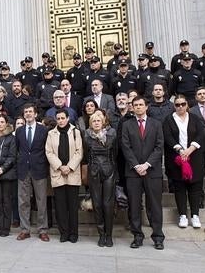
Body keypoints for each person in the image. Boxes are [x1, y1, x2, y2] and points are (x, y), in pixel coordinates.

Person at [121, 96, 165, 250]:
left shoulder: (156, 124)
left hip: (152, 171)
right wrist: (136, 165)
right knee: (134, 205)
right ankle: (137, 236)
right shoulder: (127, 125)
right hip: (133, 172)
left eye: (141, 105)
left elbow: (159, 147)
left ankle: (158, 236)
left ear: (147, 107)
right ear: (132, 107)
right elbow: (125, 147)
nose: (138, 107)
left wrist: (146, 164)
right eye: (135, 105)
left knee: (154, 205)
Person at [163, 95, 205, 229]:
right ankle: (182, 215)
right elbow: (168, 136)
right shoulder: (169, 120)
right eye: (177, 105)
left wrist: (191, 148)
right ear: (174, 106)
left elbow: (201, 133)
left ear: (187, 104)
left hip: (194, 157)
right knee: (180, 188)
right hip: (177, 158)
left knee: (195, 187)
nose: (180, 107)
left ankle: (195, 215)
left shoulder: (195, 118)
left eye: (183, 104)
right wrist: (180, 150)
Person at [45, 109, 83, 243]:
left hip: (72, 172)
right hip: (58, 173)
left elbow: (79, 152)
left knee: (72, 206)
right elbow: (49, 152)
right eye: (58, 118)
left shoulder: (75, 132)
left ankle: (73, 233)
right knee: (60, 206)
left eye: (63, 118)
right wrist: (60, 166)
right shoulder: (51, 134)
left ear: (68, 118)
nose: (61, 121)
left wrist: (70, 166)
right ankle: (64, 232)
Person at [14, 103, 50, 242]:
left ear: (35, 114)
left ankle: (42, 230)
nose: (28, 114)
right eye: (26, 112)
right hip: (23, 169)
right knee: (23, 201)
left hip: (39, 169)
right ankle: (25, 229)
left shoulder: (43, 130)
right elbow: (18, 149)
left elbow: (46, 149)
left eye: (30, 112)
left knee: (41, 201)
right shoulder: (20, 131)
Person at [83, 110, 117, 247]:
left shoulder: (111, 134)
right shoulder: (86, 137)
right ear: (90, 124)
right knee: (97, 204)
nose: (96, 123)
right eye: (94, 121)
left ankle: (109, 235)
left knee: (108, 204)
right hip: (94, 171)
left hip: (109, 170)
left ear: (103, 122)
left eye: (98, 121)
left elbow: (115, 152)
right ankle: (101, 234)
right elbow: (86, 154)